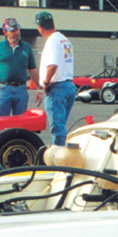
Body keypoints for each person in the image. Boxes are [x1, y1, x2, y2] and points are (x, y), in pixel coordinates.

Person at [35, 11, 75, 147]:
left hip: (57, 87)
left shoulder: (52, 41)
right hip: (69, 85)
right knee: (61, 126)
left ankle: (59, 157)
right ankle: (62, 151)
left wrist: (45, 83)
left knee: (57, 128)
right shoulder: (64, 39)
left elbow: (52, 65)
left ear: (39, 27)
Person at [0, 18, 40, 116]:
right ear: (5, 32)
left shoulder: (26, 48)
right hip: (3, 89)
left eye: (17, 29)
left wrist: (38, 89)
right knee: (1, 122)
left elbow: (32, 69)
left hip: (21, 89)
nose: (16, 33)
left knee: (20, 123)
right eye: (12, 30)